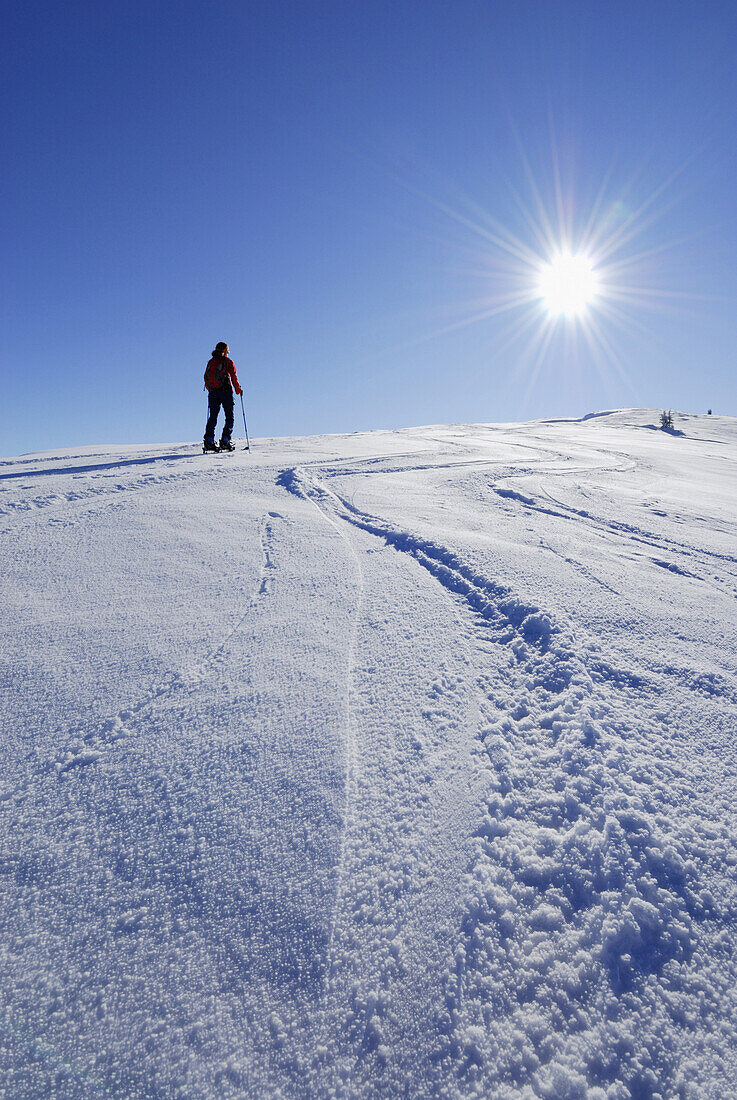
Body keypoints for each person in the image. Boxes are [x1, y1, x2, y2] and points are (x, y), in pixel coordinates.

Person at [203, 342, 242, 452]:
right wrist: (238, 389)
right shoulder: (227, 361)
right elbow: (233, 376)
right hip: (225, 391)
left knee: (213, 416)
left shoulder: (211, 362)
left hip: (213, 392)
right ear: (225, 351)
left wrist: (211, 389)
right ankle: (225, 440)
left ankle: (209, 441)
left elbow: (206, 377)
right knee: (229, 416)